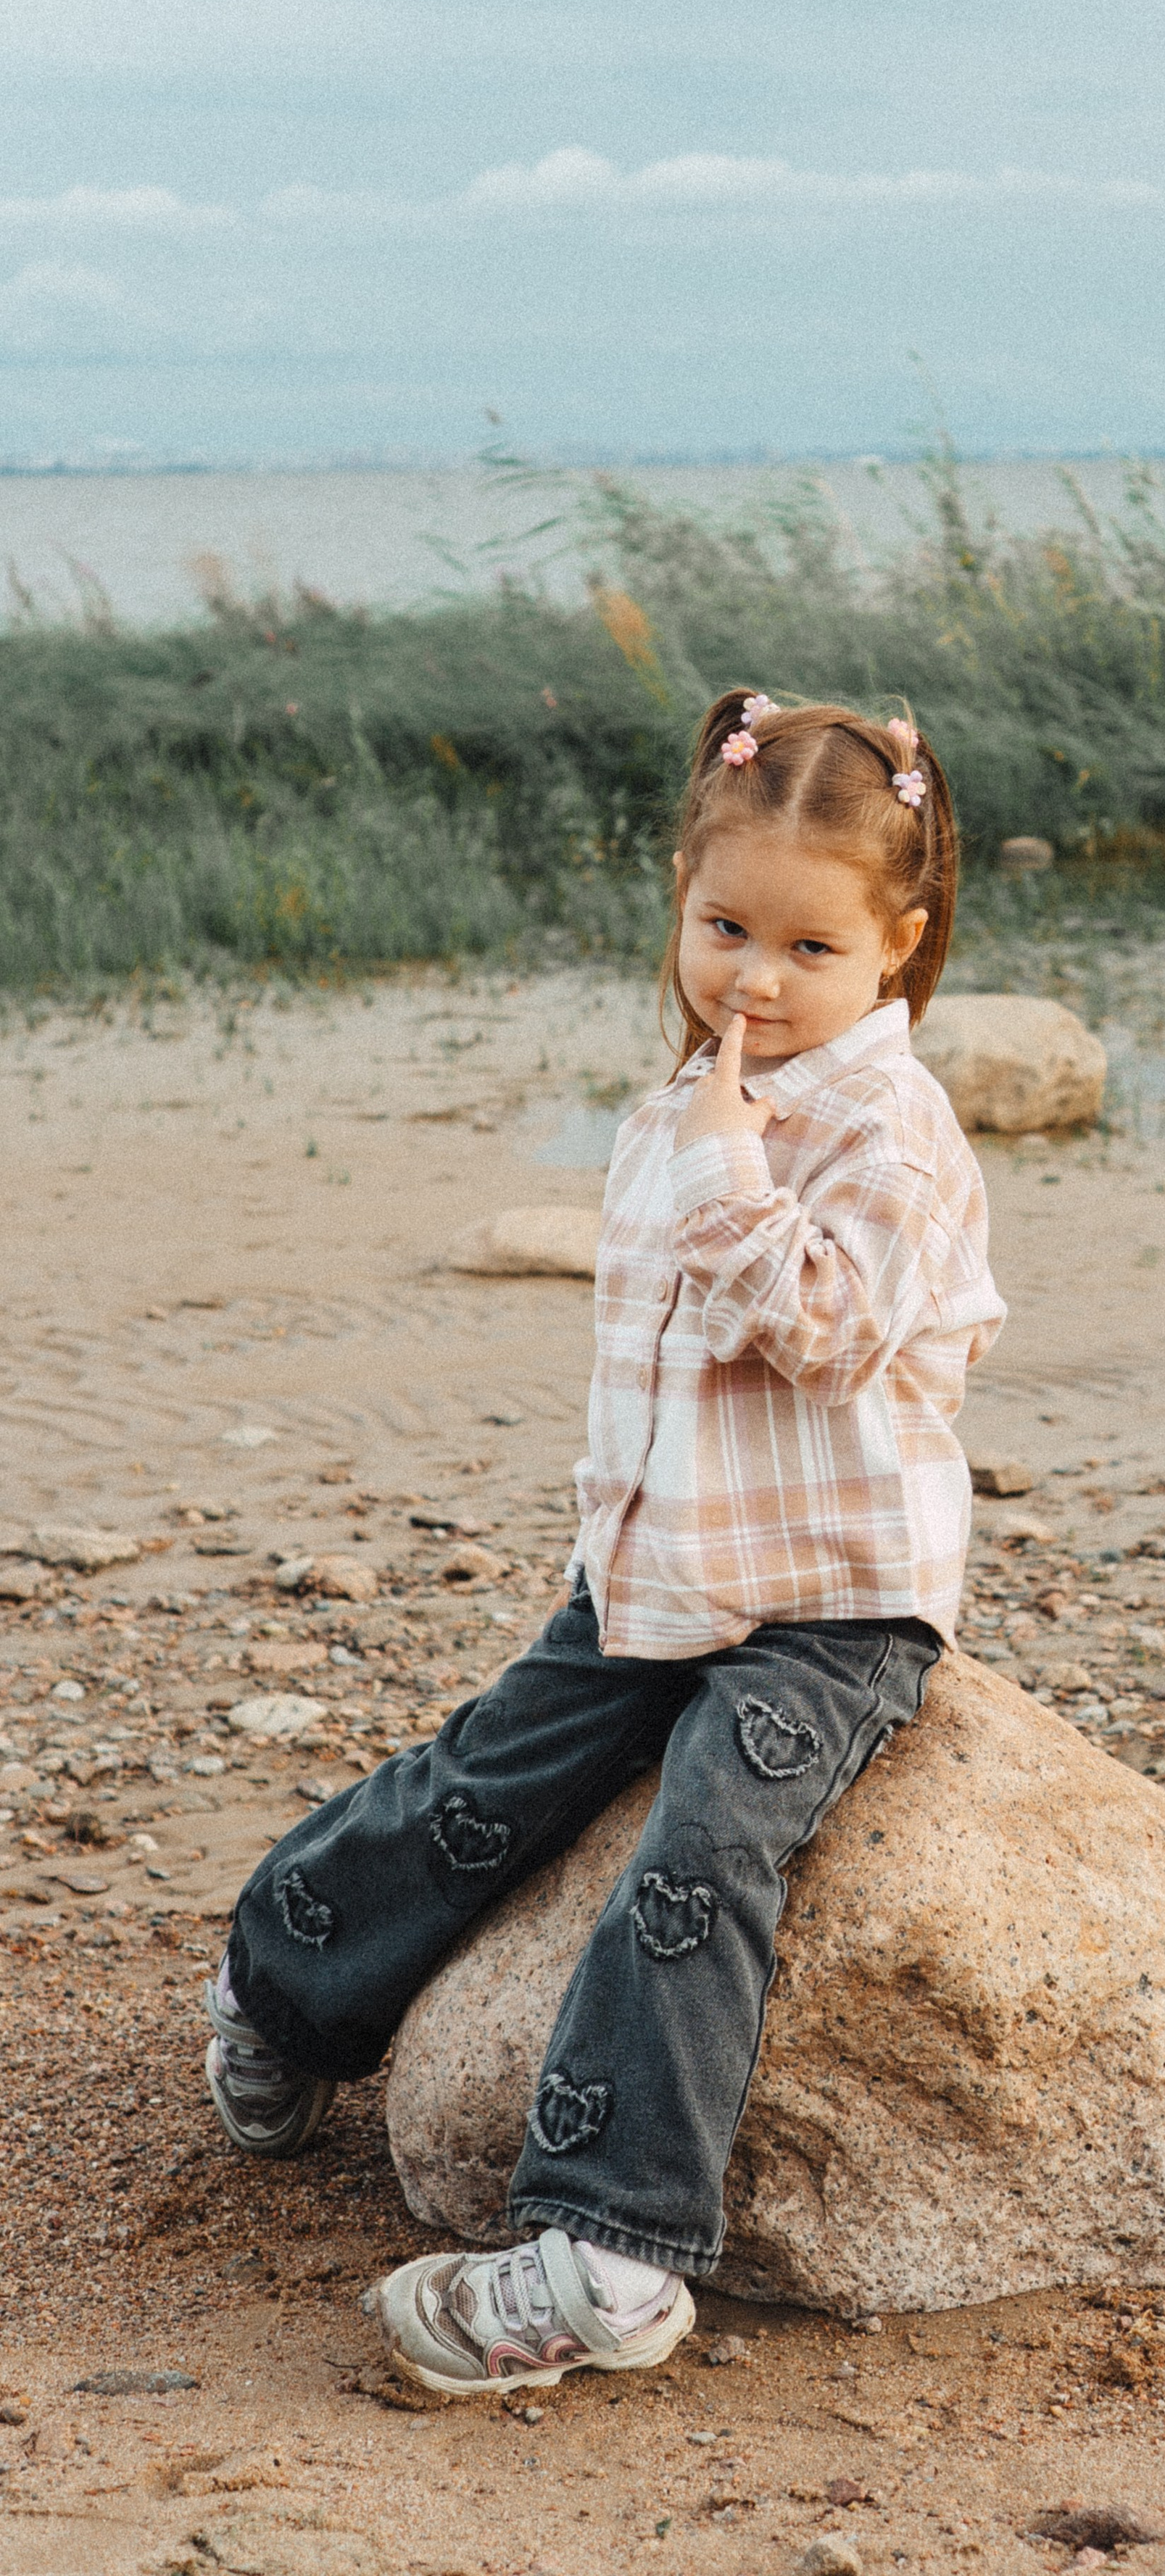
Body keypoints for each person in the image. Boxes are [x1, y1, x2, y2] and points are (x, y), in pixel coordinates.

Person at [204, 689, 1004, 2396]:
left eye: (809, 944)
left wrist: (727, 1164)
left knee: (702, 1856)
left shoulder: (888, 1127)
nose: (756, 979)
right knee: (488, 1777)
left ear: (900, 946)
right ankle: (284, 1989)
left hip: (830, 1605)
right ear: (679, 902)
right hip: (661, 1572)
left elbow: (829, 1334)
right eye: (726, 928)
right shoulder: (688, 1100)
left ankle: (609, 2255)